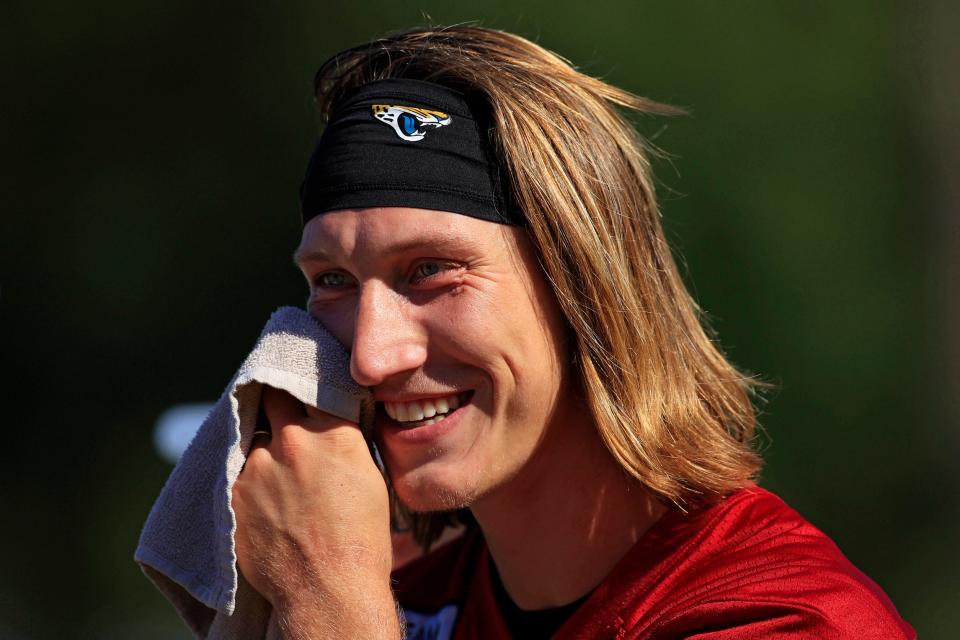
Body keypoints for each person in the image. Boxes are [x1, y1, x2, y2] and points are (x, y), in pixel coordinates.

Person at [230, 26, 916, 639]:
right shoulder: (410, 602)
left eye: (432, 270)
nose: (373, 357)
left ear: (583, 285)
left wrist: (329, 595)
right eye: (333, 281)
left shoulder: (783, 620)